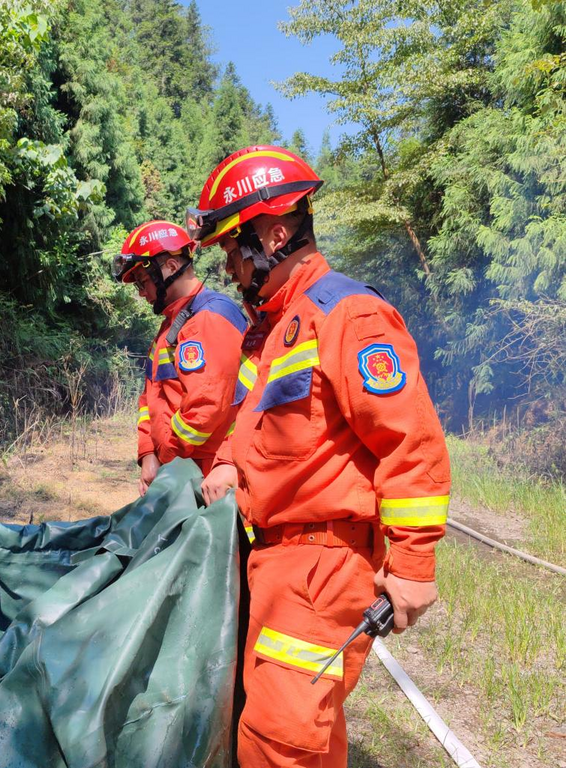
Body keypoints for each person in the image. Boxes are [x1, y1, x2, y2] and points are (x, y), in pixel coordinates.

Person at [187, 145, 451, 767]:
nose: (228, 266)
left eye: (233, 247)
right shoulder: (278, 328)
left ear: (275, 232)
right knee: (303, 735)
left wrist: (412, 562)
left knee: (279, 743)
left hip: (320, 567)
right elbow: (256, 427)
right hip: (278, 559)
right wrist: (227, 462)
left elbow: (410, 441)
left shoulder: (350, 317)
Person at [113, 220, 248, 505]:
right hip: (181, 475)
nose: (140, 292)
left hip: (205, 478)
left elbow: (206, 409)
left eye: (143, 282)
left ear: (171, 267)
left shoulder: (208, 319)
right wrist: (148, 454)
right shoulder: (171, 327)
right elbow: (149, 398)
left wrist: (168, 460)